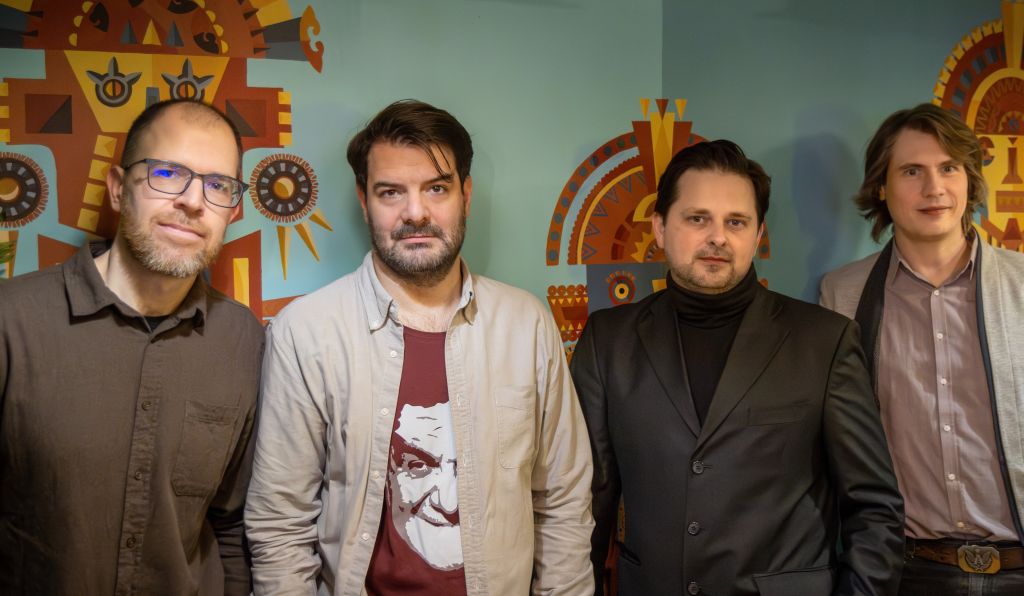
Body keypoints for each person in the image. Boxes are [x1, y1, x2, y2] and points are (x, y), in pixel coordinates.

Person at [245, 99, 594, 595]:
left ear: (466, 195)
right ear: (363, 200)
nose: (416, 213)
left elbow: (562, 502)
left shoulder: (527, 325)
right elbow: (280, 523)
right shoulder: (306, 332)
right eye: (391, 192)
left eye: (436, 188)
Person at [572, 139, 904, 595]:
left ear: (758, 234)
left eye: (736, 222)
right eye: (697, 218)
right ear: (660, 228)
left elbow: (875, 509)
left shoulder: (825, 342)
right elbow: (585, 504)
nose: (718, 237)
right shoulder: (608, 340)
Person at [0, 98, 264, 595]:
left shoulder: (243, 340)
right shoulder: (11, 321)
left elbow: (231, 525)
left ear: (233, 209)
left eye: (217, 185)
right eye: (167, 173)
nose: (193, 201)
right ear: (119, 189)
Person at [821, 103, 1024, 594]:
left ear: (969, 180)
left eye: (949, 168)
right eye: (912, 171)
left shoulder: (1021, 284)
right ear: (881, 186)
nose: (934, 188)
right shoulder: (842, 295)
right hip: (907, 572)